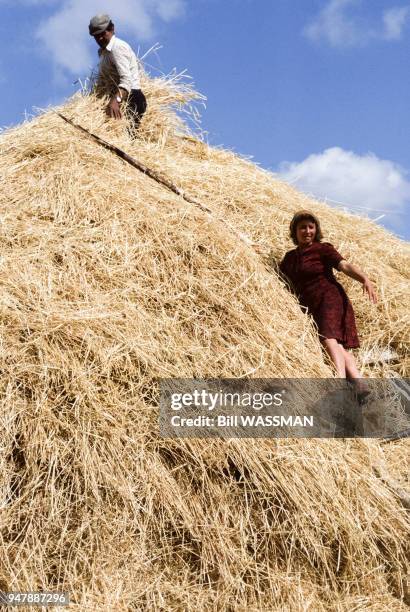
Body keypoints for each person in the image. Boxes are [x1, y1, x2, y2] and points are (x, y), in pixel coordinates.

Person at [279, 210, 377, 388]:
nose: (307, 231)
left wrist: (364, 279)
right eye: (302, 228)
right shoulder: (289, 258)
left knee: (328, 337)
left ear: (316, 229)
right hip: (311, 303)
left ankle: (338, 380)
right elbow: (280, 276)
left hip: (329, 297)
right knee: (337, 344)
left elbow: (344, 265)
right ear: (295, 231)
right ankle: (360, 383)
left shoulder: (323, 249)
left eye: (311, 227)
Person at [88, 14, 147, 128]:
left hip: (131, 101)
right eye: (96, 36)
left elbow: (127, 80)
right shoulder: (104, 53)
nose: (100, 38)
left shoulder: (117, 47)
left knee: (127, 139)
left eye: (103, 33)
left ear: (112, 28)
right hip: (118, 100)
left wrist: (116, 101)